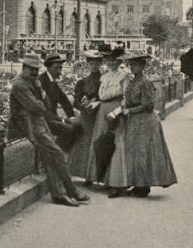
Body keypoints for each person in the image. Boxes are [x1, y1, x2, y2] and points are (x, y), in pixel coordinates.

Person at [9, 54, 90, 207]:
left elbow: (45, 104)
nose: (34, 72)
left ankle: (59, 194)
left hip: (38, 123)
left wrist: (40, 97)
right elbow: (36, 107)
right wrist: (40, 100)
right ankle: (71, 191)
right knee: (57, 153)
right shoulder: (20, 85)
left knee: (50, 157)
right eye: (31, 70)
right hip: (27, 126)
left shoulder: (34, 83)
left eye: (36, 69)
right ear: (24, 68)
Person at [117, 52, 177, 197]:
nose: (132, 68)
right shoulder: (132, 81)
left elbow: (148, 105)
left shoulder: (145, 82)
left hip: (146, 121)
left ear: (142, 66)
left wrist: (128, 110)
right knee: (134, 152)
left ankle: (144, 187)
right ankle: (137, 183)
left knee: (144, 152)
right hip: (135, 120)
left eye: (136, 65)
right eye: (131, 65)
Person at [87, 45, 130, 187]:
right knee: (100, 141)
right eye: (108, 60)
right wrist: (97, 103)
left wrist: (117, 112)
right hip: (102, 112)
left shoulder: (124, 76)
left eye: (114, 60)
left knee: (114, 144)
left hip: (115, 112)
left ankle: (114, 182)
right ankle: (97, 176)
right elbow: (102, 96)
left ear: (120, 61)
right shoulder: (104, 77)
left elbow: (126, 98)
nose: (111, 63)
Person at [69, 50, 103, 183]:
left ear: (101, 64)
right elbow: (76, 101)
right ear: (87, 65)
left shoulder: (104, 80)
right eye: (91, 64)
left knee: (98, 142)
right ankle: (85, 174)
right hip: (86, 116)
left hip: (99, 114)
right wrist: (83, 107)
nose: (94, 66)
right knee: (84, 143)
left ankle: (96, 175)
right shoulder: (82, 82)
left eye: (96, 64)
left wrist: (96, 103)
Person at [39, 54, 79, 152]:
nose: (59, 71)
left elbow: (63, 100)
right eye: (56, 68)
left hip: (52, 119)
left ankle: (57, 152)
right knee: (69, 129)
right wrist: (63, 120)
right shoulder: (41, 81)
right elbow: (42, 109)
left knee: (78, 126)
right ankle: (55, 153)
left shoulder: (52, 81)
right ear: (48, 68)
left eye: (61, 68)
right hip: (42, 120)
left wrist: (71, 116)